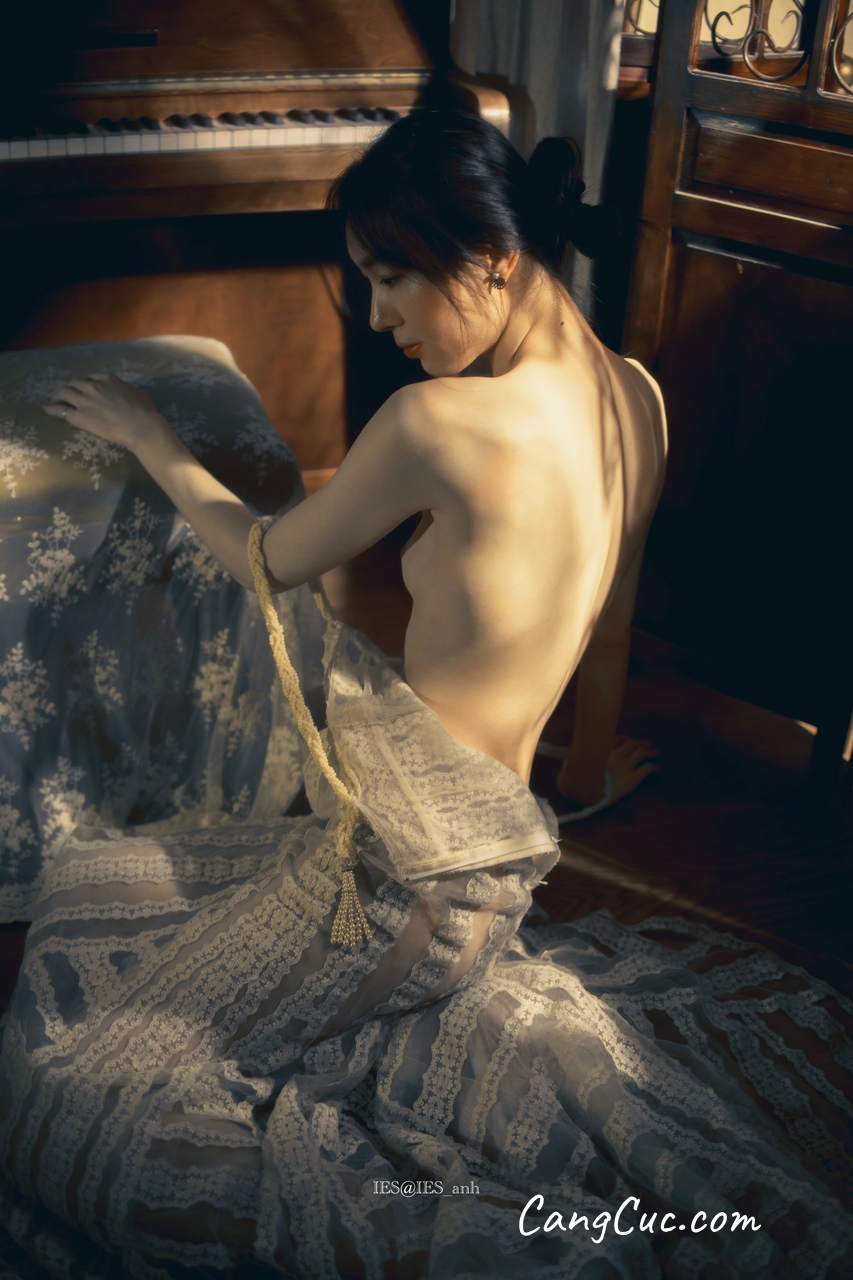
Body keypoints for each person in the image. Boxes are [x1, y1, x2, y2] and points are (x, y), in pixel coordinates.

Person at [0, 110, 850, 1280]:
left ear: (491, 257)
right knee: (86, 880)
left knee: (61, 1101)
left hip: (393, 888)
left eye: (391, 276)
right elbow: (602, 634)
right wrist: (584, 778)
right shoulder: (636, 400)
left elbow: (265, 556)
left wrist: (153, 438)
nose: (378, 315)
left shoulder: (436, 423)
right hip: (474, 870)